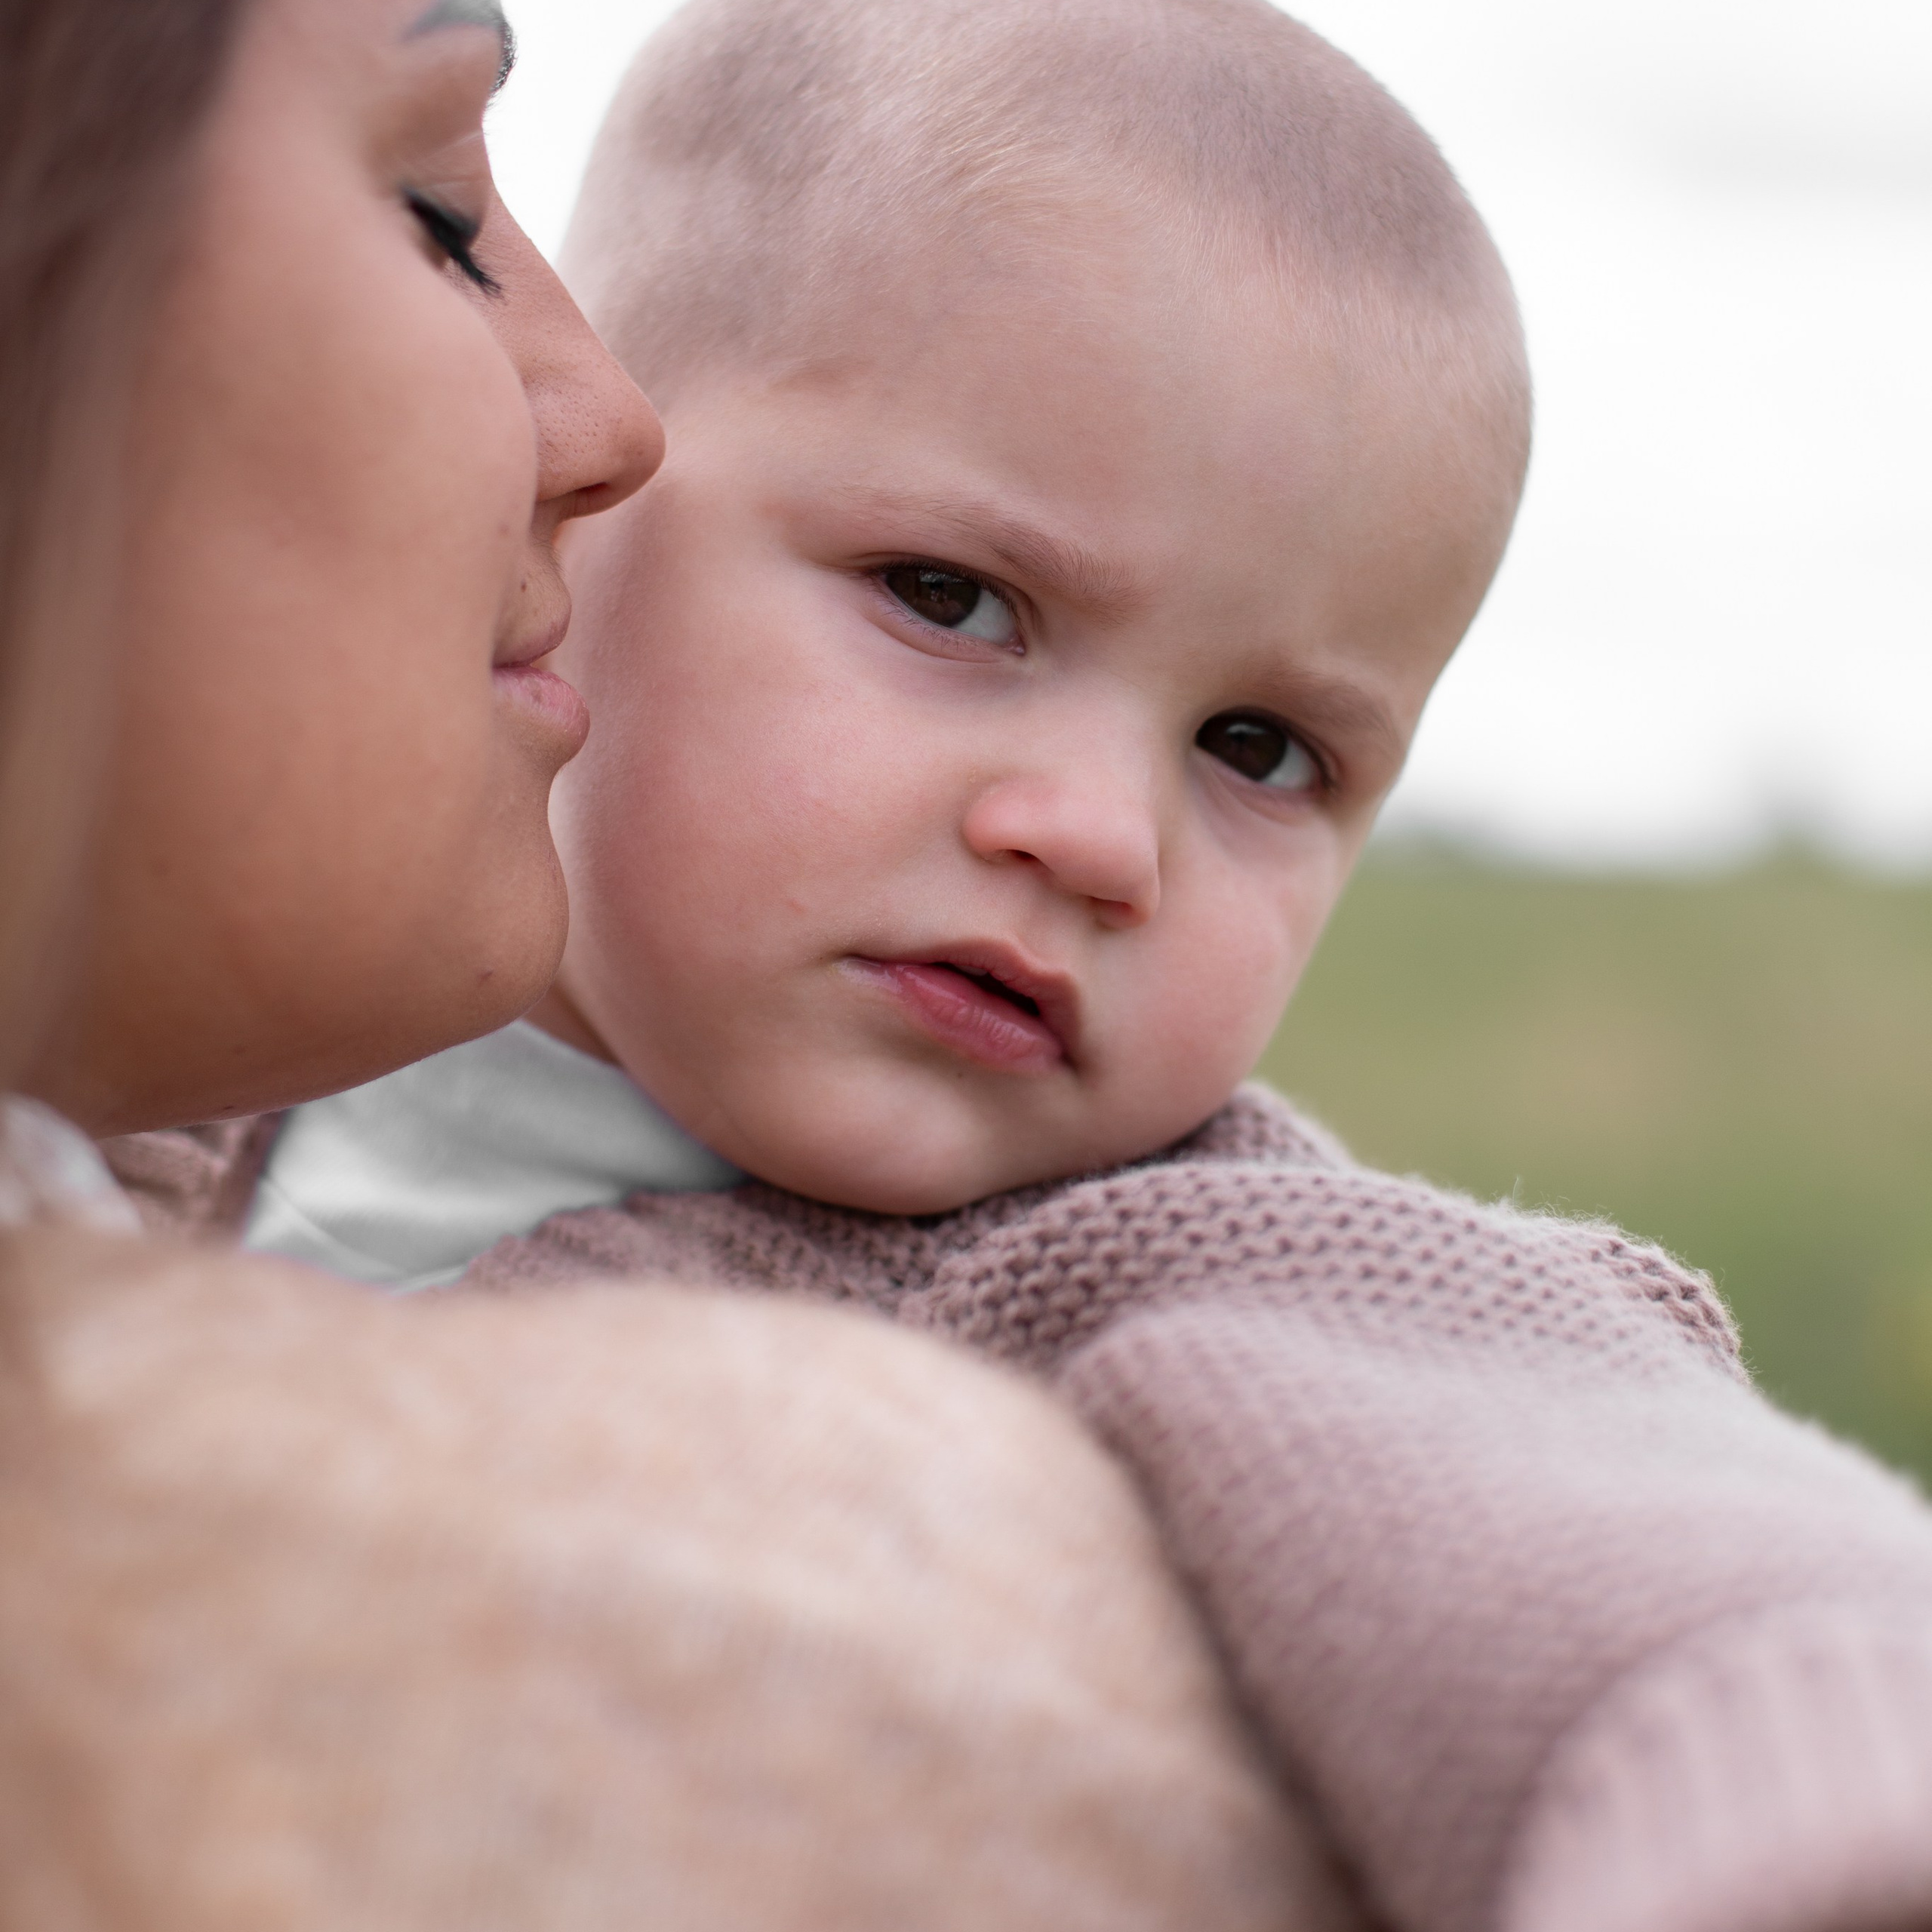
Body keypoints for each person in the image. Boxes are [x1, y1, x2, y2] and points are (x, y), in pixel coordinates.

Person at [133, 3, 1932, 1930]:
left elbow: (1672, 1576)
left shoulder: (1176, 1260)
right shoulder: (181, 1029)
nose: (1094, 835)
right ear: (581, 506)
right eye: (953, 600)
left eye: (1258, 749)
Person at [0, 0, 1342, 1924]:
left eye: (1263, 749)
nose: (1102, 838)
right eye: (440, 215)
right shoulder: (201, 1141)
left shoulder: (1227, 1277)